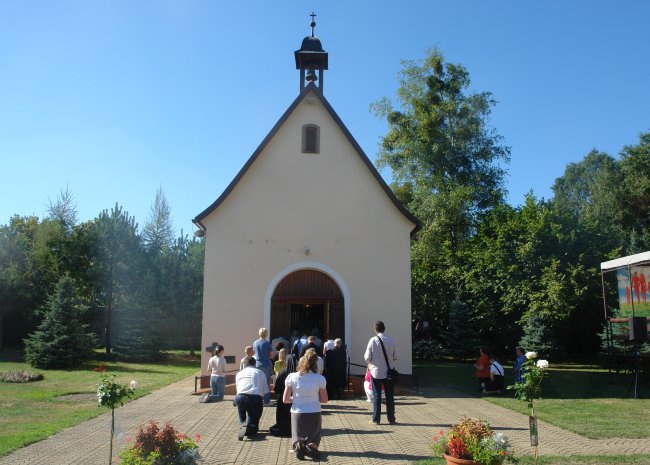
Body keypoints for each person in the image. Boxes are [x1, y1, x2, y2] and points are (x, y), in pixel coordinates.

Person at [283, 351, 328, 460]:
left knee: (298, 436)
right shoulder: (320, 379)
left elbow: (285, 399)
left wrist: (297, 398)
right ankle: (310, 448)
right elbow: (324, 399)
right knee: (314, 439)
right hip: (314, 411)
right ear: (315, 365)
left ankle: (299, 445)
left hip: (297, 412)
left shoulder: (292, 377)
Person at [364, 321, 398, 425]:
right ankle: (391, 418)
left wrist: (371, 364)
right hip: (389, 372)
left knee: (377, 395)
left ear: (375, 329)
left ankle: (376, 419)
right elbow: (396, 356)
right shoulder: (391, 340)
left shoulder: (373, 340)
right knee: (389, 396)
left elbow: (367, 357)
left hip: (376, 372)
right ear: (384, 328)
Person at [234, 356, 269, 440]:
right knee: (254, 419)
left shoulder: (239, 373)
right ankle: (251, 428)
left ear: (244, 364)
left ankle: (243, 423)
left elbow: (238, 389)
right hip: (254, 398)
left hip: (240, 397)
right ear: (254, 364)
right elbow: (265, 391)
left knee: (240, 406)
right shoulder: (260, 372)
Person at [269, 353, 296, 437]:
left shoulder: (282, 372)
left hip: (283, 398)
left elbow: (277, 387)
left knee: (283, 415)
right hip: (295, 399)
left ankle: (283, 428)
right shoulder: (299, 373)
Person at [253, 327, 273, 405]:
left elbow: (255, 353)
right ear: (266, 334)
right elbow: (271, 355)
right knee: (266, 382)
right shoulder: (267, 343)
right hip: (266, 364)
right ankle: (266, 400)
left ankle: (259, 399)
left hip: (257, 364)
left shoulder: (255, 343)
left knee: (258, 382)